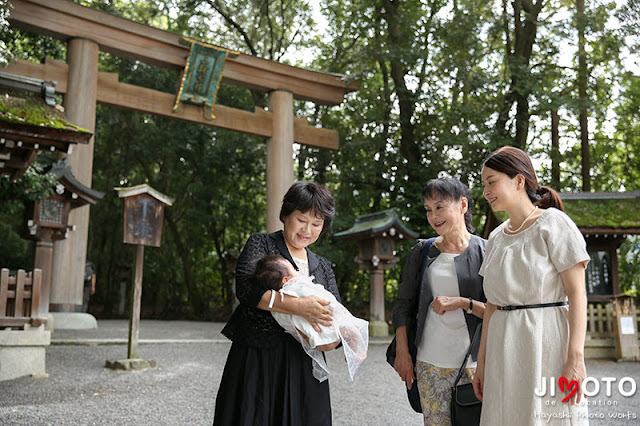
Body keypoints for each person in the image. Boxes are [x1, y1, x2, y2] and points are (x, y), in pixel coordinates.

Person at [472, 146, 590, 425]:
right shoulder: (497, 237)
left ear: (519, 180)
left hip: (546, 340)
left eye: (492, 182)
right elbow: (492, 305)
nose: (486, 191)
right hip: (503, 345)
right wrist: (482, 362)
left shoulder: (554, 223)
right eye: (483, 184)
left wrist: (576, 357)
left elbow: (577, 293)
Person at [213, 181, 341, 426]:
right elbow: (246, 290)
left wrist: (336, 340)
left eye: (317, 224)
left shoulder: (323, 265)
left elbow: (335, 312)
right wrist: (299, 307)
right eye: (302, 219)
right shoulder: (262, 244)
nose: (308, 229)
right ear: (285, 215)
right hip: (258, 357)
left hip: (305, 362)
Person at [392, 177, 487, 425]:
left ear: (462, 205)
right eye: (428, 209)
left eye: (440, 207)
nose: (433, 216)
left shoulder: (487, 251)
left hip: (476, 365)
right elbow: (403, 304)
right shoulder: (423, 251)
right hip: (430, 363)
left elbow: (498, 311)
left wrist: (463, 303)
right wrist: (403, 353)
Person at [255, 254, 368, 382]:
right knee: (352, 327)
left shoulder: (278, 302)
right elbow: (320, 297)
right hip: (325, 333)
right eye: (293, 269)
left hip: (316, 341)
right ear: (285, 280)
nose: (297, 272)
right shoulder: (296, 286)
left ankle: (352, 346)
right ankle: (355, 350)